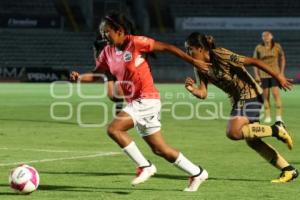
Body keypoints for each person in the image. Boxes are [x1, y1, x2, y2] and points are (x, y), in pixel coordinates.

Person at [70, 13, 211, 192]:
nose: (104, 36)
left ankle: (145, 166)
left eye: (107, 32)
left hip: (146, 99)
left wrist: (193, 61)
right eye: (103, 33)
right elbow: (97, 74)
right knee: (160, 149)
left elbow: (166, 47)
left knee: (114, 129)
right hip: (136, 102)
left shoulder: (135, 42)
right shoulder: (107, 52)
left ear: (119, 30)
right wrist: (79, 78)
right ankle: (198, 173)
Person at [184, 32, 298, 183]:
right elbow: (203, 93)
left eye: (189, 49)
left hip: (250, 93)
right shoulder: (199, 67)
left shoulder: (221, 55)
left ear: (199, 48)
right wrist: (192, 90)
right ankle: (288, 170)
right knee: (253, 141)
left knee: (233, 132)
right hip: (239, 100)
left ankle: (277, 129)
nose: (187, 53)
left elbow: (254, 61)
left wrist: (279, 77)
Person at [253, 31, 286, 123]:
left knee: (276, 94)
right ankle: (268, 116)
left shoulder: (277, 46)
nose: (266, 37)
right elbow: (255, 62)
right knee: (265, 96)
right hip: (263, 75)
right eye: (264, 36)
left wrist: (282, 72)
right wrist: (256, 75)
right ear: (262, 38)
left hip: (275, 74)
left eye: (267, 35)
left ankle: (279, 116)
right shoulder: (259, 48)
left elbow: (282, 58)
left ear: (271, 36)